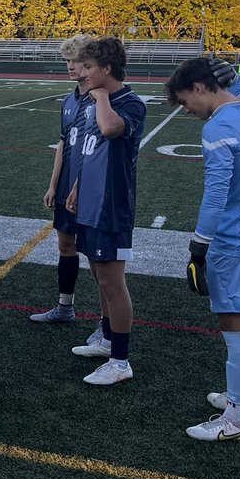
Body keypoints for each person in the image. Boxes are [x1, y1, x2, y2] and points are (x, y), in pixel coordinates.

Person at [164, 56, 240, 441]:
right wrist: (225, 72)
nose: (186, 111)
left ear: (199, 87)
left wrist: (199, 245)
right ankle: (237, 397)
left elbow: (215, 195)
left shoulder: (218, 127)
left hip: (232, 237)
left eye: (184, 101)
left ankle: (236, 419)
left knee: (234, 322)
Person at [64, 37, 147, 386]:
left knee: (113, 281)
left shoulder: (130, 103)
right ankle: (108, 338)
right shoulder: (90, 102)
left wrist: (101, 98)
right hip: (89, 200)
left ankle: (120, 360)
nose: (81, 73)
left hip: (111, 205)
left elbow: (112, 129)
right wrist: (77, 186)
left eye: (88, 67)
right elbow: (89, 150)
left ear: (107, 69)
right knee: (99, 276)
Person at [33, 36, 109, 352]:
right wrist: (54, 185)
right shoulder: (68, 101)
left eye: (76, 61)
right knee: (65, 245)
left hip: (90, 190)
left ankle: (108, 325)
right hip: (66, 187)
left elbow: (98, 151)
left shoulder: (102, 101)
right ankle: (65, 307)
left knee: (98, 260)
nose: (70, 66)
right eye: (67, 61)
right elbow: (64, 144)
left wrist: (78, 186)